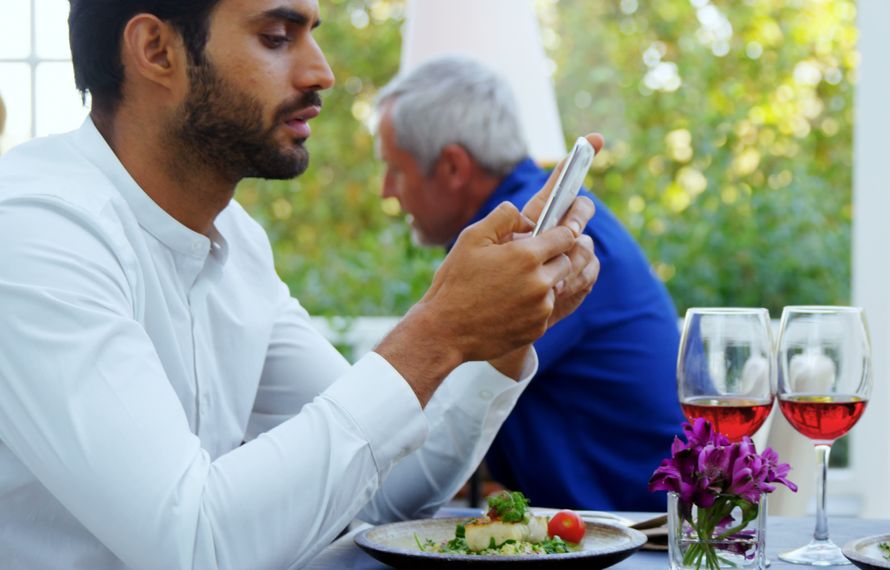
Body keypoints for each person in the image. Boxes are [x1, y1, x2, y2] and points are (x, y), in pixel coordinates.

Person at [0, 1, 600, 568]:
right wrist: (440, 329)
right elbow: (194, 546)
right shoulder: (35, 231)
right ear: (157, 50)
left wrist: (501, 335)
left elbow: (385, 490)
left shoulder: (237, 243)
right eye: (276, 37)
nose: (323, 72)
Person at [375, 55, 684, 512]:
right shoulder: (523, 228)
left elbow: (418, 411)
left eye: (395, 169)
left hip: (643, 535)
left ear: (454, 167)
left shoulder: (537, 244)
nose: (386, 190)